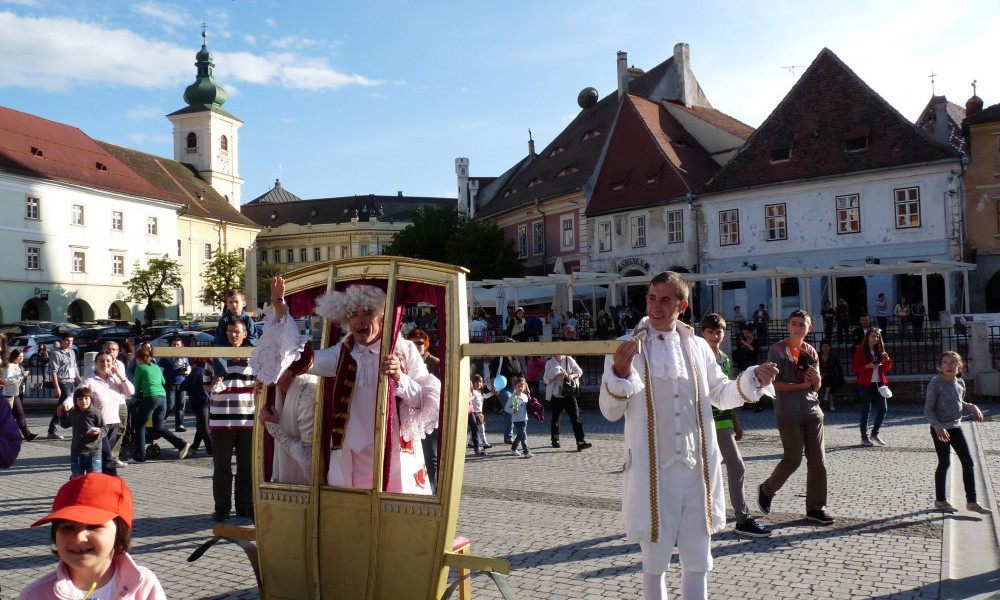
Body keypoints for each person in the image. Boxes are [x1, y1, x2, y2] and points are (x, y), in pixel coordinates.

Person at [599, 271, 778, 600]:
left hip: (697, 471)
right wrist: (620, 374)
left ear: (681, 305)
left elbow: (721, 394)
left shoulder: (698, 347)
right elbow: (609, 411)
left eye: (665, 299)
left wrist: (754, 378)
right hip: (654, 473)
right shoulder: (627, 347)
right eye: (652, 298)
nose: (656, 306)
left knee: (698, 555)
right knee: (655, 560)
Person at [252, 277, 439, 495]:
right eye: (353, 314)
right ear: (346, 321)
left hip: (396, 457)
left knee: (396, 515)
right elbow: (300, 360)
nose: (360, 321)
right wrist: (281, 310)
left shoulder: (405, 350)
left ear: (381, 316)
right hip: (351, 458)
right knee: (352, 516)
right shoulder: (341, 353)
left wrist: (400, 377)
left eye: (367, 313)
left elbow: (426, 401)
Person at [18, 473, 167, 600]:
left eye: (94, 526)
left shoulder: (143, 585)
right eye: (67, 527)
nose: (79, 538)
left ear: (119, 534)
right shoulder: (35, 595)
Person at [758, 309, 834, 526]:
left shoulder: (811, 351)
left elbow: (816, 387)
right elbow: (773, 384)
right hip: (788, 411)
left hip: (812, 410)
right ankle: (767, 489)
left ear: (809, 328)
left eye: (803, 324)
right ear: (788, 326)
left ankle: (816, 508)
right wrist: (802, 385)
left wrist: (817, 379)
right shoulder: (777, 350)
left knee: (818, 460)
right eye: (794, 323)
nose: (798, 327)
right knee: (793, 459)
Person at [700, 314, 771, 538]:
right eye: (710, 331)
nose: (715, 335)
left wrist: (736, 422)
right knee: (709, 471)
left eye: (719, 331)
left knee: (735, 467)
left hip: (723, 421)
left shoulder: (723, 358)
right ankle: (736, 517)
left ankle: (740, 517)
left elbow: (727, 391)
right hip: (703, 420)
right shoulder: (698, 357)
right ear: (702, 333)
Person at [925, 352, 992, 514]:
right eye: (946, 363)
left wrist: (971, 406)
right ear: (940, 367)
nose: (949, 365)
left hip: (956, 428)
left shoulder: (960, 382)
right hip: (940, 429)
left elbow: (958, 401)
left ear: (959, 366)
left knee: (968, 463)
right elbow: (928, 409)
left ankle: (972, 502)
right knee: (944, 463)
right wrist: (938, 427)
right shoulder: (935, 383)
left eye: (953, 362)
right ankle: (940, 500)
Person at [208, 321, 257, 520]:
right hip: (221, 421)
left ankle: (245, 506)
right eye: (230, 331)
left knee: (247, 467)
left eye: (237, 332)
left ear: (245, 334)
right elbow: (205, 385)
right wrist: (213, 384)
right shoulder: (214, 357)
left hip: (247, 420)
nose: (233, 335)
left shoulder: (255, 357)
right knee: (222, 467)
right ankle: (222, 507)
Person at [130, 348, 190, 463]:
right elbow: (163, 382)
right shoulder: (155, 367)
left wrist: (142, 387)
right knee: (159, 427)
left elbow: (136, 386)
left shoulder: (140, 368)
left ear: (139, 358)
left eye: (136, 358)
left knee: (140, 426)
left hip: (150, 397)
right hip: (162, 397)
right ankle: (181, 444)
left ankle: (139, 456)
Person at [260, 369, 317, 485]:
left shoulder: (307, 390)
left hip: (307, 487)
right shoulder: (271, 390)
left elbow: (309, 460)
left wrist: (274, 428)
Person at [82, 351, 134, 476]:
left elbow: (130, 391)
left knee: (105, 455)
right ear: (96, 363)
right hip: (98, 424)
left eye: (108, 361)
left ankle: (100, 481)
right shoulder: (90, 379)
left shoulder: (114, 380)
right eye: (101, 360)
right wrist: (66, 405)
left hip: (113, 422)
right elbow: (78, 394)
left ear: (112, 363)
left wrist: (120, 375)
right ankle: (113, 481)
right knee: (107, 456)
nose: (105, 363)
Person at [407, 328, 440, 494]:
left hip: (427, 416)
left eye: (419, 343)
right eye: (412, 342)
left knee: (430, 454)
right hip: (408, 415)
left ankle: (432, 490)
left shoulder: (435, 362)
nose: (416, 345)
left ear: (426, 345)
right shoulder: (403, 361)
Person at [544, 352, 591, 451]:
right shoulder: (550, 362)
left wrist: (571, 376)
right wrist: (557, 375)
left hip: (569, 394)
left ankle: (580, 441)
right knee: (555, 418)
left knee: (575, 418)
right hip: (556, 395)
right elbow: (546, 380)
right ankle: (555, 439)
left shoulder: (568, 359)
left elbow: (579, 372)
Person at [853, 328, 893, 447]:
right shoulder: (860, 350)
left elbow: (885, 369)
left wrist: (887, 359)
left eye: (877, 336)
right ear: (868, 337)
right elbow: (855, 369)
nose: (875, 339)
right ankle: (864, 437)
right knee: (866, 410)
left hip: (879, 383)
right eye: (873, 336)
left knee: (883, 409)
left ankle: (874, 434)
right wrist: (868, 366)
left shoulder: (880, 351)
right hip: (865, 383)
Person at [57, 388, 105, 479]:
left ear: (91, 399)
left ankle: (93, 493)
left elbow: (105, 428)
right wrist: (61, 415)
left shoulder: (96, 413)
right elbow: (64, 424)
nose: (84, 401)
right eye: (80, 399)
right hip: (77, 451)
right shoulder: (74, 413)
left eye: (86, 398)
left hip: (94, 451)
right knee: (77, 477)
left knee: (94, 478)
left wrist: (99, 432)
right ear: (76, 401)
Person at [48, 331, 81, 440]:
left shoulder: (71, 352)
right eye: (67, 340)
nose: (69, 343)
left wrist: (79, 379)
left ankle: (52, 429)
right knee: (69, 405)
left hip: (71, 381)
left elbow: (75, 367)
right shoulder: (56, 354)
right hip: (63, 382)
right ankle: (73, 428)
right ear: (61, 341)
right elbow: (53, 371)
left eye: (71, 341)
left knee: (62, 406)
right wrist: (56, 387)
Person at [157, 335, 190, 432]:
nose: (176, 347)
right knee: (170, 405)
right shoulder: (166, 357)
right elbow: (160, 370)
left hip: (182, 383)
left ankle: (179, 424)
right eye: (174, 345)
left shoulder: (184, 356)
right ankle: (161, 421)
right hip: (170, 384)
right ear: (170, 346)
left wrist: (186, 372)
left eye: (178, 345)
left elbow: (188, 368)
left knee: (181, 405)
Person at [181, 359, 213, 457]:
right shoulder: (208, 369)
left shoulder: (197, 370)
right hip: (209, 399)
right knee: (201, 425)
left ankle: (211, 449)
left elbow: (185, 385)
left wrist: (184, 377)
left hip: (200, 400)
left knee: (204, 427)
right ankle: (194, 446)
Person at [5, 349, 37, 441]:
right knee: (19, 413)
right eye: (19, 356)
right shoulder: (10, 366)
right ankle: (27, 434)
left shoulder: (20, 367)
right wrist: (21, 376)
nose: (21, 358)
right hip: (11, 393)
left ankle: (12, 434)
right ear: (14, 357)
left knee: (14, 415)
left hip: (19, 392)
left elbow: (22, 382)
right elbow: (7, 380)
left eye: (22, 357)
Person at [505, 376, 533, 458]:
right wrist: (513, 410)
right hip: (517, 419)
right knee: (523, 435)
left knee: (520, 435)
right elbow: (506, 408)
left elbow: (527, 406)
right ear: (515, 387)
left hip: (524, 418)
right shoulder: (513, 397)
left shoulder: (525, 396)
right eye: (518, 386)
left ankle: (513, 448)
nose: (520, 388)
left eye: (522, 386)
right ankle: (526, 451)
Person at [469, 374, 492, 452]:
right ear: (473, 383)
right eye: (476, 382)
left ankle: (470, 442)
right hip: (475, 413)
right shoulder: (473, 392)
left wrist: (492, 393)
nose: (478, 384)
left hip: (479, 413)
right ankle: (484, 443)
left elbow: (484, 396)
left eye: (480, 382)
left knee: (474, 429)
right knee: (481, 428)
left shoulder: (479, 392)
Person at [818, 341, 844, 412]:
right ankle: (830, 402)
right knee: (828, 383)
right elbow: (815, 366)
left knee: (830, 378)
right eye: (824, 346)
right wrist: (820, 374)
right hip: (820, 376)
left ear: (829, 347)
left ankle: (826, 397)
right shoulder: (818, 355)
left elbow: (838, 367)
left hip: (831, 375)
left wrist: (841, 377)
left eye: (827, 346)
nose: (825, 348)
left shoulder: (833, 356)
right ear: (821, 348)